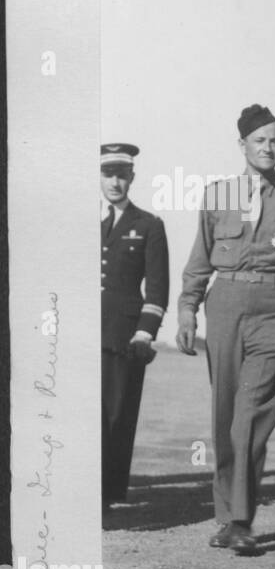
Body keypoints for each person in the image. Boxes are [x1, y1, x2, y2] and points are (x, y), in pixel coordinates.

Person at [177, 104, 275, 554]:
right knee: (225, 415)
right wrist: (187, 310)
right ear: (241, 144)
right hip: (224, 306)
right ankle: (226, 519)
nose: (268, 148)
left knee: (251, 416)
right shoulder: (219, 193)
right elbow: (200, 259)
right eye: (260, 140)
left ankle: (242, 520)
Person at [100, 143, 169, 509]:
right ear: (99, 176)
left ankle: (108, 492)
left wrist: (145, 333)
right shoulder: (85, 223)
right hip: (83, 333)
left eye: (121, 176)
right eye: (108, 174)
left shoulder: (148, 225)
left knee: (116, 414)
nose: (115, 182)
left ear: (132, 178)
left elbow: (157, 288)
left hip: (123, 336)